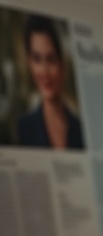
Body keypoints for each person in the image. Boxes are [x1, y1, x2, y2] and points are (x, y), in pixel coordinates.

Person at [17, 14, 84, 150]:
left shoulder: (80, 129)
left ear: (62, 64)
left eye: (51, 59)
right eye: (37, 59)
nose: (44, 72)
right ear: (29, 63)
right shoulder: (23, 128)